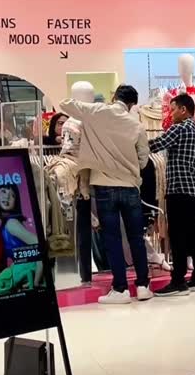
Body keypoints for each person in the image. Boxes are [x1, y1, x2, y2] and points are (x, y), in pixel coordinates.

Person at [60, 84, 151, 305]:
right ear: (132, 104)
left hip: (104, 185)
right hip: (130, 186)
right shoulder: (136, 125)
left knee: (112, 238)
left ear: (114, 96)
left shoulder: (98, 111)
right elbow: (143, 159)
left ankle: (120, 289)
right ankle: (142, 286)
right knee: (136, 238)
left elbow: (65, 104)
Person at [149, 93, 195, 296]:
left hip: (178, 191)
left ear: (183, 110)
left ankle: (178, 281)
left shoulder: (178, 129)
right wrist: (192, 174)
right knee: (194, 235)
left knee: (177, 236)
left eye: (173, 109)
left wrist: (135, 144)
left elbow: (155, 145)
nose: (171, 114)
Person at [0, 185, 38, 256]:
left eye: (12, 195)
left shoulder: (11, 223)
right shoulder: (5, 223)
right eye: (4, 191)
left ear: (15, 203)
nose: (7, 197)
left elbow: (37, 242)